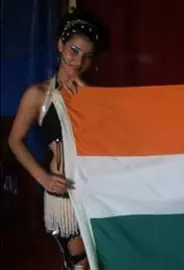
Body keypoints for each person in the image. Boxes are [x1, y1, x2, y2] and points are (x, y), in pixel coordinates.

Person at [8, 8, 109, 270]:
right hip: (65, 191)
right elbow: (15, 140)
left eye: (87, 57)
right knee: (79, 263)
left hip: (95, 190)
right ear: (61, 45)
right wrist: (41, 177)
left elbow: (107, 140)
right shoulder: (38, 94)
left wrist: (89, 101)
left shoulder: (93, 96)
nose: (78, 61)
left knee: (101, 260)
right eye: (74, 51)